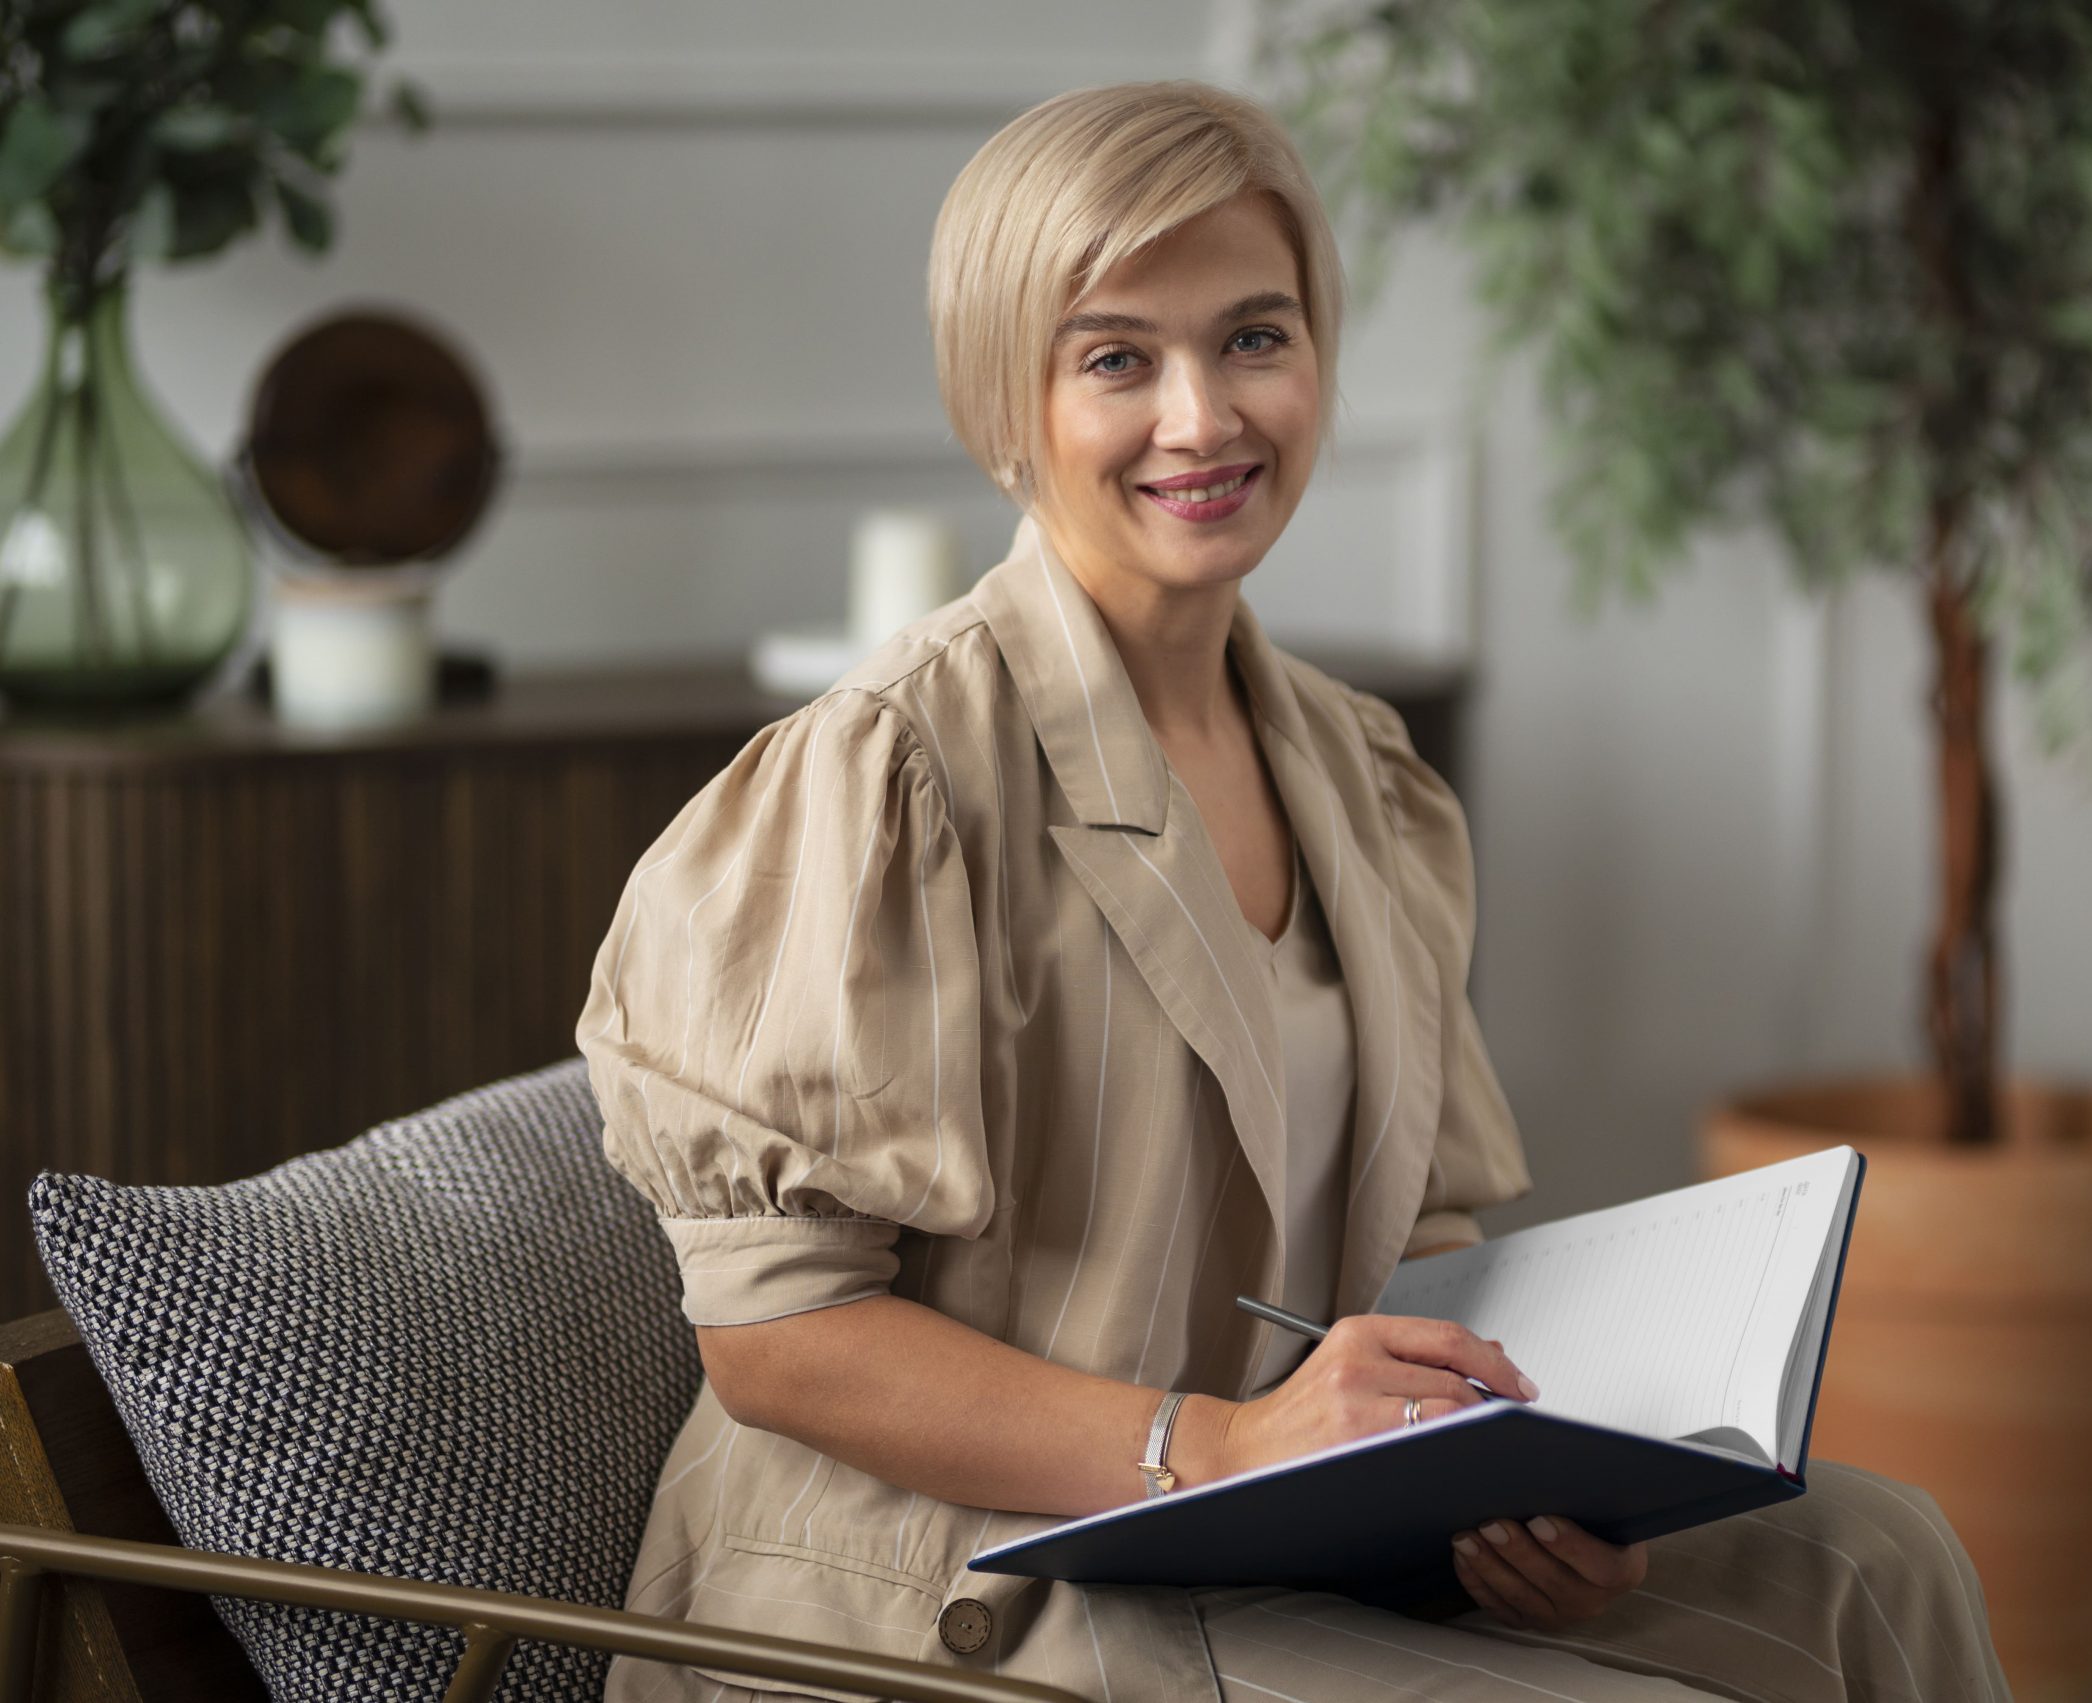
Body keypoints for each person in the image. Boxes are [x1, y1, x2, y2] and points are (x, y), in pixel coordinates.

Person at [575, 78, 2011, 1703]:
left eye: (1255, 337)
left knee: (1885, 1565)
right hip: (955, 1585)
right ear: (1005, 396)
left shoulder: (1365, 773)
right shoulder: (884, 776)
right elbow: (778, 1344)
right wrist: (1223, 1440)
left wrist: (1505, 1483)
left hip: (1283, 1527)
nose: (1205, 417)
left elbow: (1424, 1242)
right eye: (1118, 357)